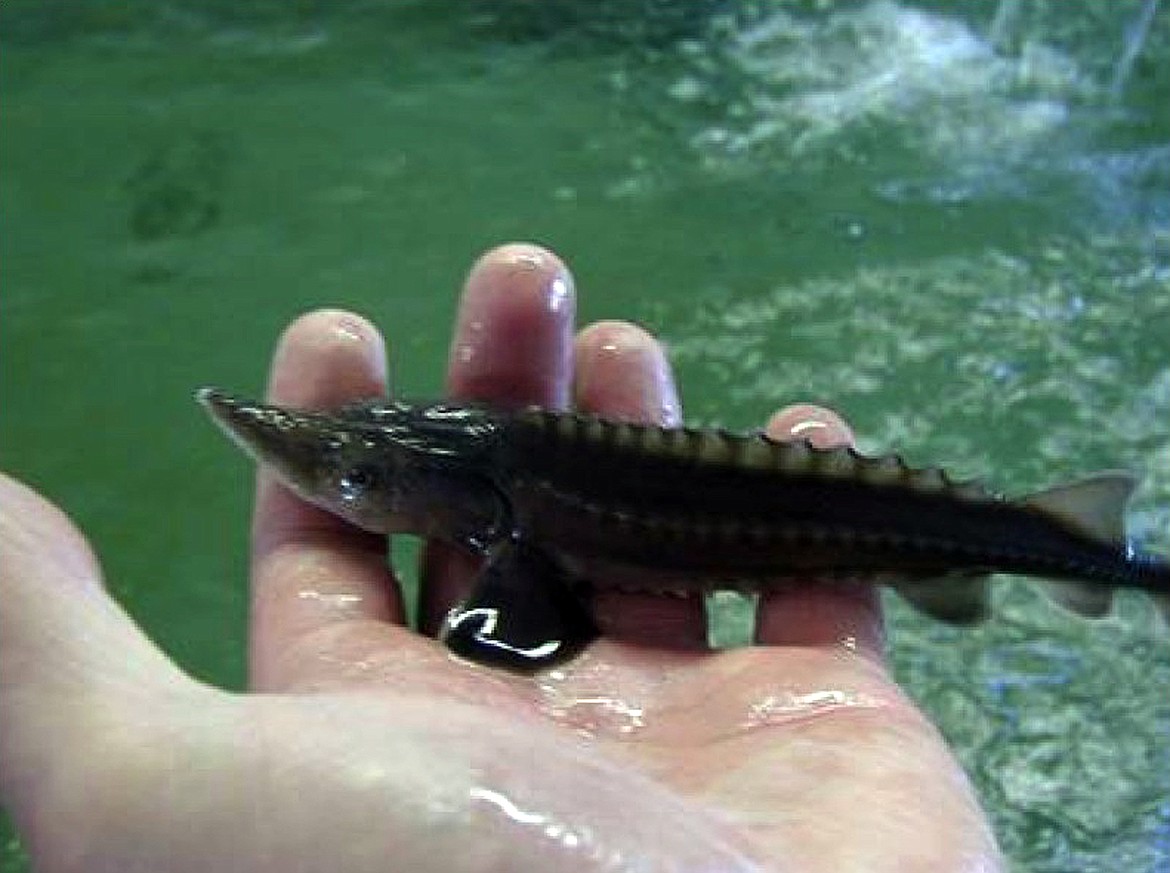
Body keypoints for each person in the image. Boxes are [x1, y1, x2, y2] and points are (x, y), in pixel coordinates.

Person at [0, 244, 1003, 872]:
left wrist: (501, 636)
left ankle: (1100, 556)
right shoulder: (502, 486)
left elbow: (530, 617)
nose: (331, 486)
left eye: (354, 479)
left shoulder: (516, 527)